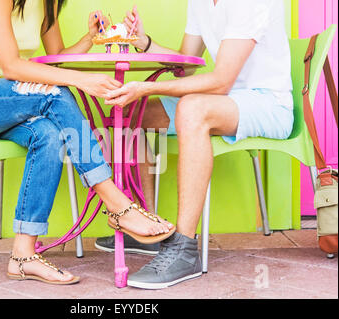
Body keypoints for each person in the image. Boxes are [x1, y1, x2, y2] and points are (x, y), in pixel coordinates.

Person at [0, 0, 174, 286]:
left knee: (48, 133)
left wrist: (89, 38)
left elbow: (55, 58)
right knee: (55, 93)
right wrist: (82, 81)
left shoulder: (47, 3)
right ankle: (117, 204)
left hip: (6, 104)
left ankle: (22, 256)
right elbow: (11, 66)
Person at [101, 0, 294, 289]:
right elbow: (184, 67)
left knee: (192, 109)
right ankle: (150, 229)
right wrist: (144, 42)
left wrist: (148, 87)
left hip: (268, 102)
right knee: (132, 114)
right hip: (227, 100)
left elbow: (220, 82)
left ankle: (184, 248)